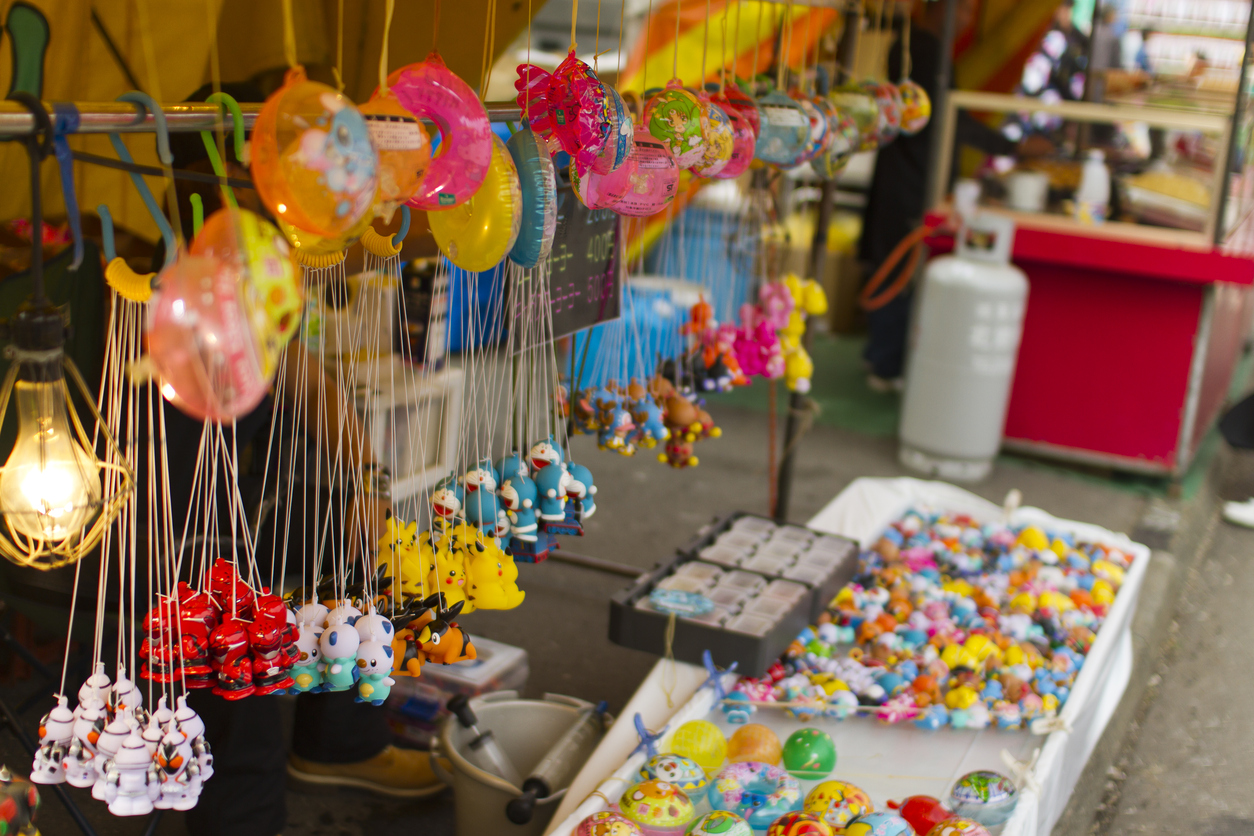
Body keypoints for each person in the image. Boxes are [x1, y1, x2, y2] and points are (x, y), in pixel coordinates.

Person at [150, 83, 445, 836]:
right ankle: (243, 818)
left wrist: (364, 482)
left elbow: (303, 374)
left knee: (347, 549)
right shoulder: (163, 289)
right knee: (234, 630)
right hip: (175, 527)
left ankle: (339, 743)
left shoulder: (259, 269)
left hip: (262, 497)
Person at [859, 0, 1045, 389]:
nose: (966, 21)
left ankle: (885, 358)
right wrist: (1010, 147)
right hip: (908, 178)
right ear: (938, 7)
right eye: (961, 11)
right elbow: (946, 116)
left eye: (970, 14)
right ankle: (884, 363)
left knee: (901, 260)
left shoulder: (927, 49)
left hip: (916, 174)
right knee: (897, 261)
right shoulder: (921, 51)